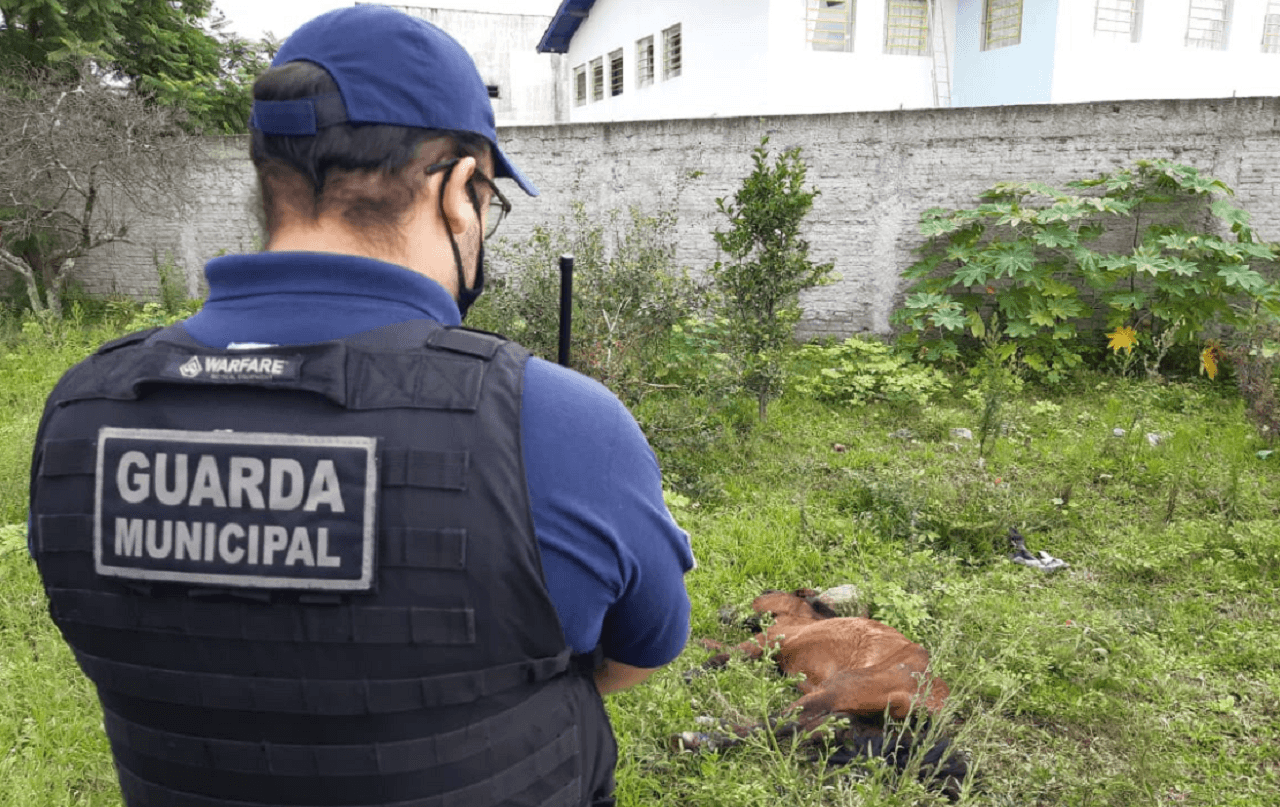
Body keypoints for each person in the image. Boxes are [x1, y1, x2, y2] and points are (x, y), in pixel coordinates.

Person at [26, 7, 694, 807]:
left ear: (269, 180)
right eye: (490, 204)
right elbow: (636, 656)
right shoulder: (560, 425)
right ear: (458, 190)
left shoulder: (79, 413)